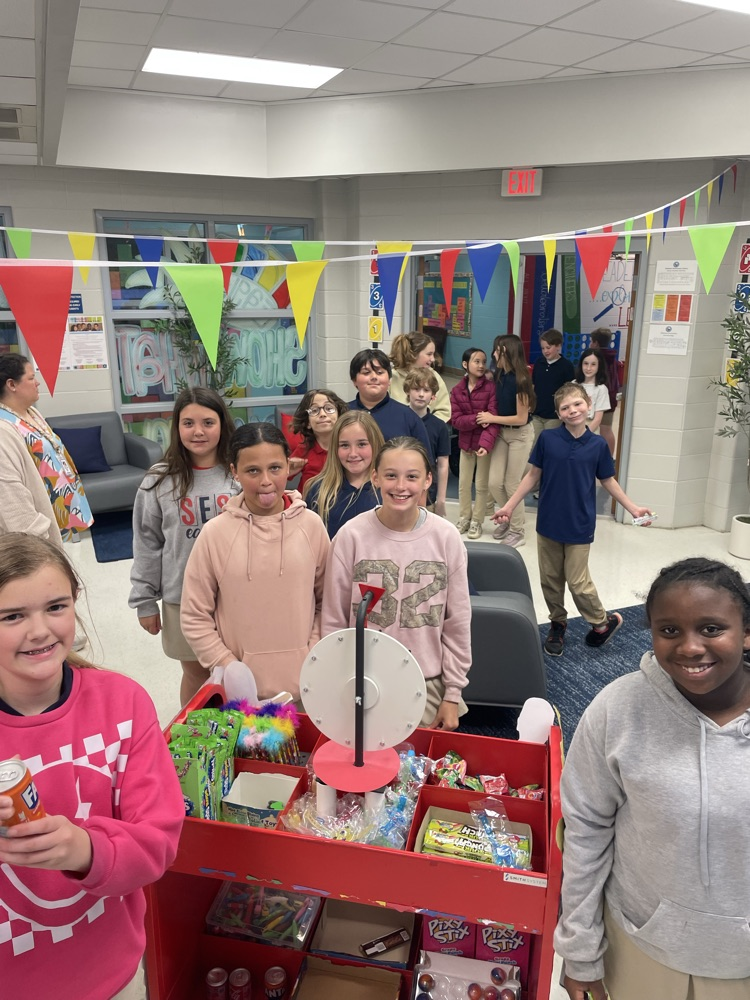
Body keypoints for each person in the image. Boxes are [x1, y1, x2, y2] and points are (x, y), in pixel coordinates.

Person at [555, 557, 750, 1000]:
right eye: (669, 631)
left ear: (746, 632)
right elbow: (585, 833)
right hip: (642, 949)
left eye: (712, 629)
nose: (690, 647)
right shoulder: (617, 709)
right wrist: (580, 951)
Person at [0, 533, 183, 1000]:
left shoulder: (122, 704)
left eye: (55, 607)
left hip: (108, 969)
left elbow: (158, 841)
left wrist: (84, 850)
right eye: (13, 616)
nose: (39, 630)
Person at [322, 436, 471, 731]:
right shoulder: (351, 536)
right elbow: (333, 619)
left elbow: (458, 622)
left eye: (412, 477)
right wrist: (335, 679)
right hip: (360, 679)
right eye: (391, 475)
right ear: (375, 477)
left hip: (425, 681)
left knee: (418, 769)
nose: (401, 486)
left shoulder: (446, 537)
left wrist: (452, 693)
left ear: (428, 480)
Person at [493, 382, 651, 657]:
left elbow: (608, 480)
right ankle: (558, 623)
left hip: (579, 524)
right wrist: (508, 506)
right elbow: (532, 476)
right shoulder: (548, 440)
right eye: (565, 407)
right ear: (559, 413)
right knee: (551, 579)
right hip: (549, 523)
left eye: (577, 404)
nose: (572, 410)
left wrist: (632, 508)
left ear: (588, 405)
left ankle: (602, 623)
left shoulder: (598, 445)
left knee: (578, 581)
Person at [180, 422, 329, 703]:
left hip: (309, 688)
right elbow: (194, 615)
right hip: (240, 696)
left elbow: (327, 601)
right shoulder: (215, 534)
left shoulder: (312, 526)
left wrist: (314, 652)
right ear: (234, 472)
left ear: (289, 465)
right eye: (252, 471)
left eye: (275, 468)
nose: (265, 481)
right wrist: (225, 663)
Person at [129, 387, 238, 706]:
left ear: (222, 424)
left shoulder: (239, 473)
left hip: (237, 595)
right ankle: (196, 738)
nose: (198, 431)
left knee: (238, 672)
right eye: (188, 423)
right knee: (196, 674)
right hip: (182, 597)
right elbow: (147, 542)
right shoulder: (159, 480)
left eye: (208, 422)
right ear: (177, 428)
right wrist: (145, 600)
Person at [0, 355, 93, 540]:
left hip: (58, 513)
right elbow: (10, 493)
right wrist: (37, 536)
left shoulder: (31, 412)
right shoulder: (4, 429)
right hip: (37, 532)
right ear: (12, 385)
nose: (38, 383)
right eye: (31, 378)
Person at [478, 335, 536, 549]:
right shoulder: (500, 374)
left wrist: (491, 418)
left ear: (508, 352)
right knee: (494, 483)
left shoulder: (521, 379)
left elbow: (521, 418)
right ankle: (508, 516)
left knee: (512, 484)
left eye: (497, 351)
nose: (493, 354)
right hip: (502, 433)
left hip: (520, 434)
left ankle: (518, 530)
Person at [304, 411, 384, 538]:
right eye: (344, 445)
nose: (353, 453)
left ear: (375, 444)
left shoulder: (389, 489)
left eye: (361, 444)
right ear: (335, 449)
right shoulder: (319, 491)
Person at [449, 347, 498, 540]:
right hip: (465, 444)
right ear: (465, 365)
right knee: (463, 483)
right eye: (476, 361)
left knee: (481, 485)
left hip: (483, 445)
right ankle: (464, 517)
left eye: (483, 361)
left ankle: (477, 520)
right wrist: (478, 418)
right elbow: (456, 421)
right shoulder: (457, 390)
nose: (481, 365)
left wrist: (485, 444)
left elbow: (492, 418)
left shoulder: (491, 388)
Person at [348, 348, 431, 452]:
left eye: (379, 372)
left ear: (390, 380)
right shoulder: (343, 413)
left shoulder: (409, 417)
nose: (374, 377)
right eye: (366, 372)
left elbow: (426, 461)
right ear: (354, 380)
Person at [403, 367, 450, 517]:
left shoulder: (439, 426)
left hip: (428, 491)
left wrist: (441, 500)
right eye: (416, 389)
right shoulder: (398, 418)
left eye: (426, 390)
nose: (421, 394)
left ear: (433, 396)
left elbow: (443, 464)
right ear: (408, 391)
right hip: (399, 488)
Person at [287, 388, 348, 493]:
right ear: (308, 423)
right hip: (309, 505)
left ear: (339, 416)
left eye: (329, 408)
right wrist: (287, 470)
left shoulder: (349, 447)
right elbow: (281, 475)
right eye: (314, 410)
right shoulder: (304, 449)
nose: (323, 414)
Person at [388, 331, 451, 422]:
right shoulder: (392, 377)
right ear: (413, 354)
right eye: (429, 354)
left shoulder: (434, 377)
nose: (433, 359)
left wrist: (428, 426)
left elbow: (444, 411)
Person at [531, 328, 575, 440]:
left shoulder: (566, 366)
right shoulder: (539, 363)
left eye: (548, 347)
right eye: (543, 348)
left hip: (554, 416)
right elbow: (533, 386)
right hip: (537, 414)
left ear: (558, 346)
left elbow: (570, 392)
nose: (545, 351)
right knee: (535, 445)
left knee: (550, 443)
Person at [590, 327, 621, 455]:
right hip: (612, 397)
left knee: (603, 429)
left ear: (596, 343)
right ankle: (609, 457)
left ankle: (605, 458)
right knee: (607, 429)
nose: (590, 344)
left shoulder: (595, 358)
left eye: (591, 341)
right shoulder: (612, 357)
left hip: (601, 398)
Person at [575, 347, 609, 434]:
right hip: (573, 425)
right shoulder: (574, 384)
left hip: (591, 429)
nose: (588, 368)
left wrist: (584, 435)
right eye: (585, 363)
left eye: (593, 364)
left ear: (599, 366)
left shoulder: (601, 389)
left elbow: (597, 419)